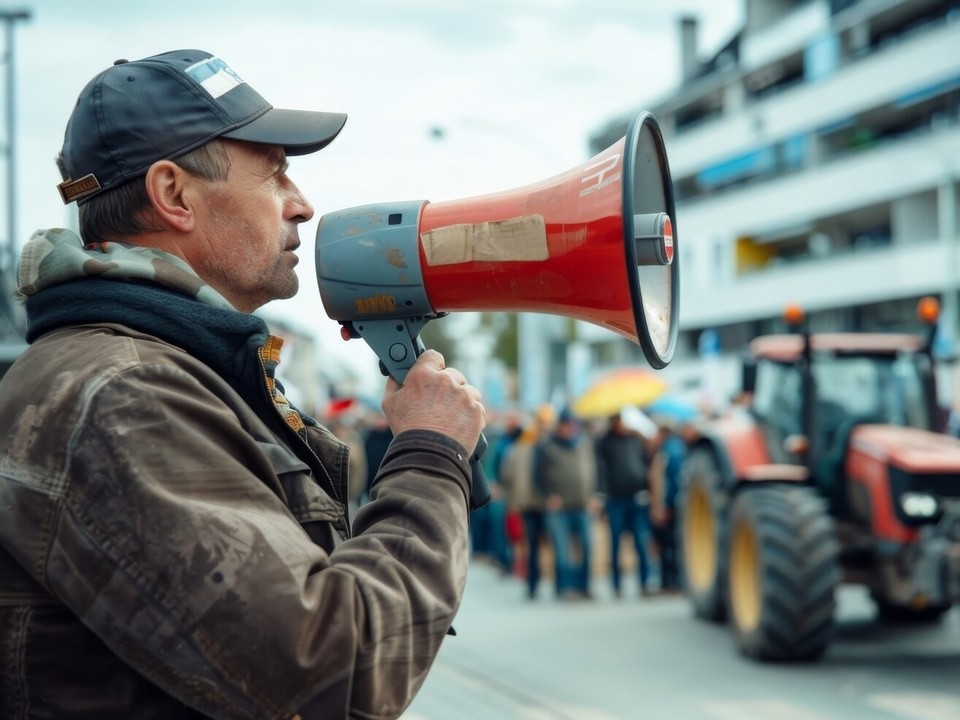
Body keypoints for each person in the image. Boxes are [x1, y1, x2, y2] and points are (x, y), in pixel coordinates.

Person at [0, 49, 487, 720]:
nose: (304, 206)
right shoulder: (124, 398)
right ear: (173, 195)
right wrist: (432, 455)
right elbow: (330, 675)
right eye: (275, 175)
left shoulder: (156, 372)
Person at [533, 407, 599, 600]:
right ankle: (564, 587)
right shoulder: (547, 446)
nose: (570, 429)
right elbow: (536, 476)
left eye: (573, 425)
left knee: (587, 547)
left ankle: (583, 586)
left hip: (583, 505)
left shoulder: (584, 443)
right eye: (567, 425)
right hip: (559, 508)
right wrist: (547, 496)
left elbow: (595, 469)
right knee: (562, 550)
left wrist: (595, 495)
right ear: (560, 426)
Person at [595, 411, 656, 597]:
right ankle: (616, 585)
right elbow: (601, 469)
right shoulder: (605, 442)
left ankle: (645, 582)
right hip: (615, 500)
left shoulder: (635, 440)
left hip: (636, 498)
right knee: (615, 543)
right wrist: (601, 494)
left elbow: (645, 464)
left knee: (640, 541)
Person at [499, 405, 555, 599]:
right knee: (539, 543)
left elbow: (506, 476)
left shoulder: (518, 450)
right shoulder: (542, 448)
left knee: (532, 544)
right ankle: (540, 581)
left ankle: (536, 583)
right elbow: (507, 475)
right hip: (535, 503)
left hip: (535, 503)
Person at [649, 418, 699, 594]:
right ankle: (672, 581)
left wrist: (666, 506)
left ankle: (671, 582)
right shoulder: (679, 449)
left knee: (669, 546)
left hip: (670, 506)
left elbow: (669, 482)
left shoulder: (670, 452)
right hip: (675, 505)